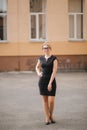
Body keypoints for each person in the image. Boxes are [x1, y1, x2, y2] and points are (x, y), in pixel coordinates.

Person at [35, 42, 58, 125]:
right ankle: (47, 117)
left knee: (51, 101)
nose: (46, 49)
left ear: (50, 48)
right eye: (44, 48)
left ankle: (51, 116)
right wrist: (38, 73)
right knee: (45, 100)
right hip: (42, 81)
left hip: (51, 81)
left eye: (47, 47)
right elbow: (37, 67)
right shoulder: (41, 58)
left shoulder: (54, 58)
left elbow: (54, 71)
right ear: (42, 50)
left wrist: (50, 83)